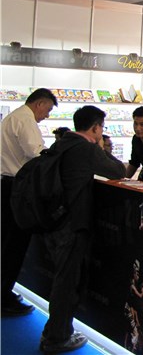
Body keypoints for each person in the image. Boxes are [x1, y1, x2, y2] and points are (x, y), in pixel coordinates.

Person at [39, 105, 125, 353]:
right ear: (96, 128)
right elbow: (117, 171)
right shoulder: (86, 148)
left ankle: (56, 331)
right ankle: (57, 337)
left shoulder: (62, 142)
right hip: (72, 224)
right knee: (67, 283)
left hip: (53, 221)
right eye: (101, 128)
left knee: (61, 279)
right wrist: (101, 147)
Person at [1, 87, 58, 317]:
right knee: (14, 245)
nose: (47, 115)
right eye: (48, 109)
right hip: (18, 188)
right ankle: (4, 296)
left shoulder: (13, 117)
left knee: (7, 243)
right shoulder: (25, 120)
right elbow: (37, 154)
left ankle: (5, 291)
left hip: (8, 185)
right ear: (39, 103)